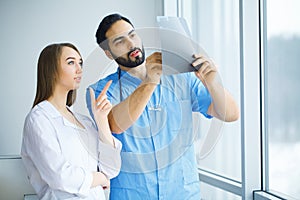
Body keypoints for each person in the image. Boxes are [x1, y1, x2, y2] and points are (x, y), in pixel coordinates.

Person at [86, 13, 239, 199]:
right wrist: (149, 81)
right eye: (120, 41)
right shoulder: (101, 91)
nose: (131, 44)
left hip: (182, 193)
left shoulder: (180, 77)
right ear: (109, 53)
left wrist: (212, 82)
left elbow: (231, 114)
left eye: (132, 35)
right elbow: (115, 124)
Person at [21, 42, 122, 200]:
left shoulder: (84, 121)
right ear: (52, 70)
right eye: (71, 62)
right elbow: (60, 177)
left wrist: (102, 121)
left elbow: (111, 169)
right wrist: (100, 178)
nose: (79, 69)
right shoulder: (39, 119)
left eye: (80, 63)